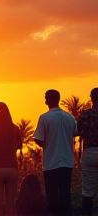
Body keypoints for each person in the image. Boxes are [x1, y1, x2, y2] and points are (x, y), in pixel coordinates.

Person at [33, 89, 77, 216]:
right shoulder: (70, 117)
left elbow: (38, 139)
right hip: (67, 161)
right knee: (65, 196)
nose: (45, 99)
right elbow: (75, 133)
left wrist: (47, 143)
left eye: (45, 97)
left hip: (51, 162)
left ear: (48, 100)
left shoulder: (44, 118)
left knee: (52, 199)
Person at [77, 87, 98, 216]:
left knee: (87, 193)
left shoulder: (84, 115)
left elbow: (78, 132)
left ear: (91, 98)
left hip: (89, 152)